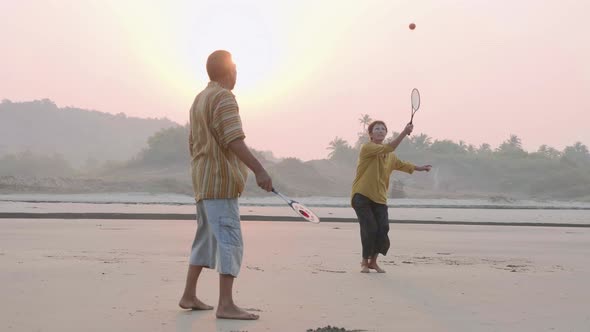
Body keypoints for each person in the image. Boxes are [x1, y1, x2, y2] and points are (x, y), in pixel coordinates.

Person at [178, 50, 272, 320]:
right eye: (236, 69)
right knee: (230, 241)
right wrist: (259, 170)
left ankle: (189, 295)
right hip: (219, 181)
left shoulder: (199, 99)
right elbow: (233, 139)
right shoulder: (224, 97)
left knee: (205, 238)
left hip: (203, 180)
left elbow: (193, 143)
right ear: (229, 72)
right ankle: (226, 304)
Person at [351, 120, 431, 273]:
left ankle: (373, 262)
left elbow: (402, 164)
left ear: (386, 133)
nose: (380, 131)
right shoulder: (367, 148)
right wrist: (404, 132)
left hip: (380, 197)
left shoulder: (390, 156)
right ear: (371, 134)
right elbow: (390, 147)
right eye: (377, 129)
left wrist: (420, 168)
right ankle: (363, 261)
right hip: (362, 195)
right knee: (370, 227)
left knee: (383, 228)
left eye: (383, 129)